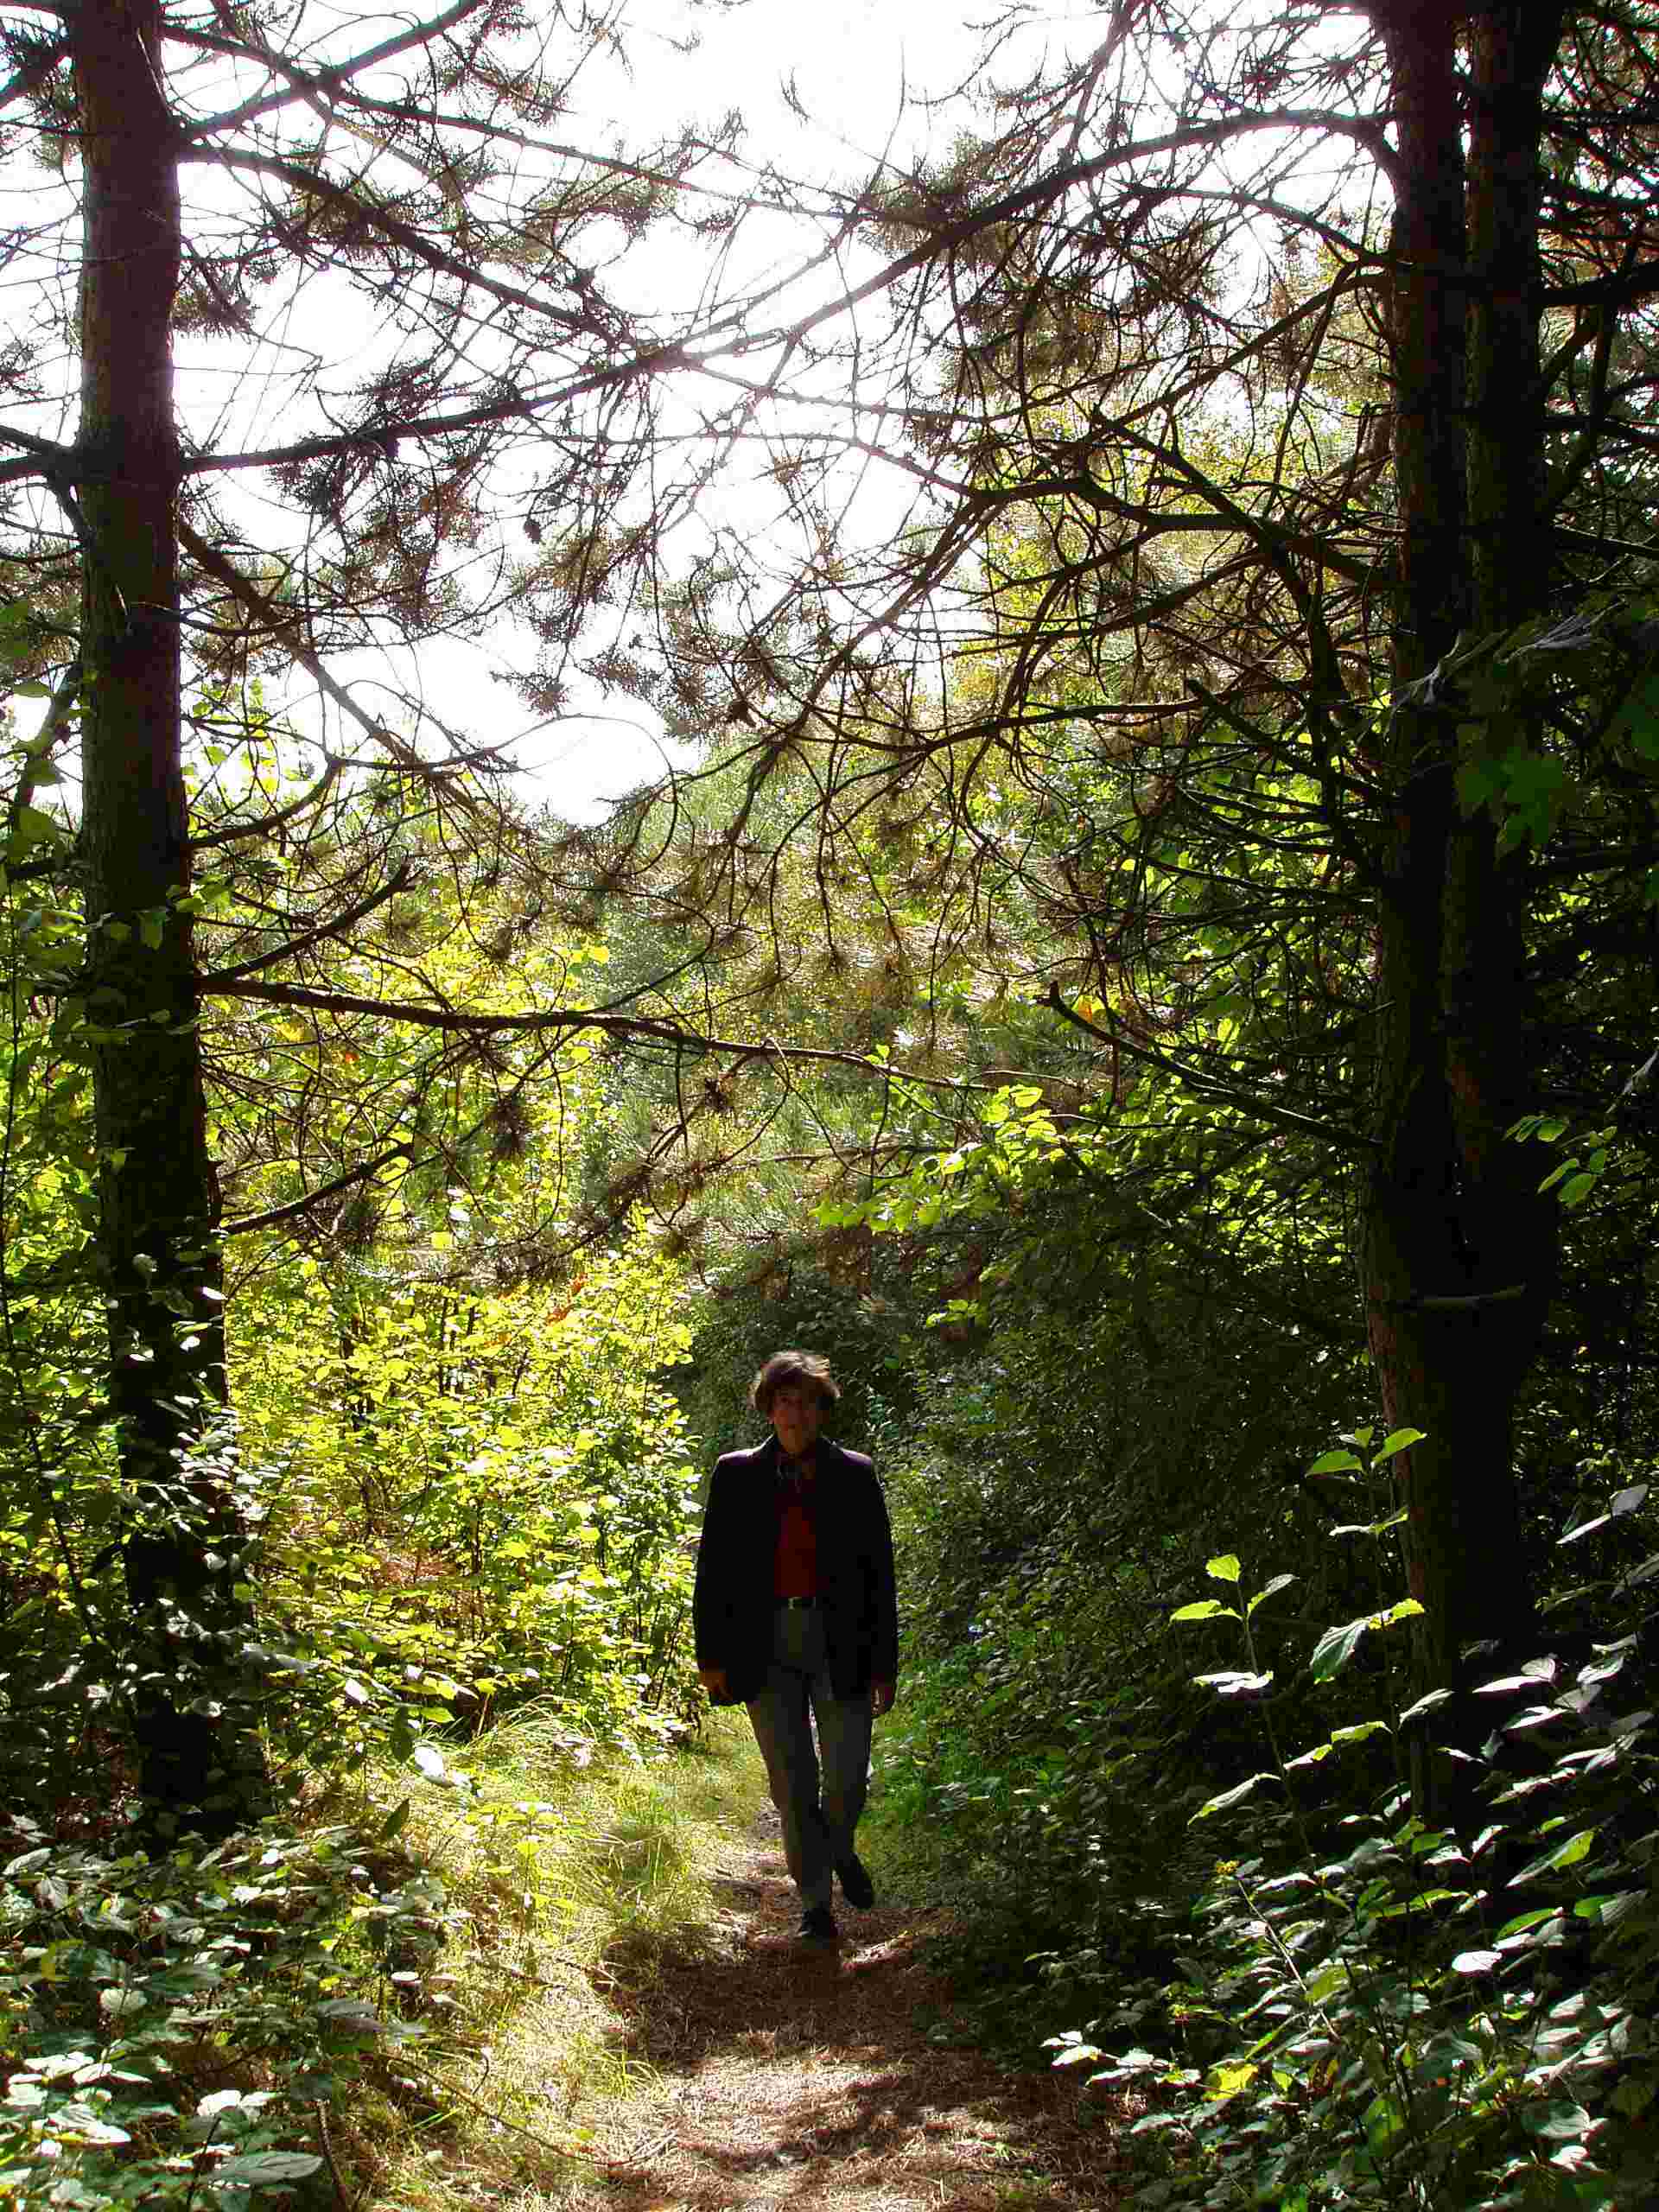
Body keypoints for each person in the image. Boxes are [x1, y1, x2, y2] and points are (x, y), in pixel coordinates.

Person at [694, 1349, 899, 1943]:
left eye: (807, 1402)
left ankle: (839, 1848)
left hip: (844, 1642)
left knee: (846, 1780)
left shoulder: (855, 1474)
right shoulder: (735, 1474)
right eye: (785, 1401)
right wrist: (711, 1658)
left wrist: (886, 1663)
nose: (795, 1413)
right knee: (791, 1781)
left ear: (822, 1410)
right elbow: (713, 1573)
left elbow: (879, 1576)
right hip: (765, 1643)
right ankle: (815, 1906)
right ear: (768, 1408)